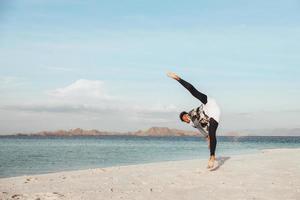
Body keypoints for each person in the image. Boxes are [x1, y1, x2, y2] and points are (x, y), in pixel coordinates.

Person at [167, 72, 221, 169]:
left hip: (209, 105)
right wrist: (207, 138)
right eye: (184, 120)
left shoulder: (191, 113)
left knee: (193, 92)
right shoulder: (193, 123)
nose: (186, 119)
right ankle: (212, 157)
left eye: (185, 117)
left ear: (187, 114)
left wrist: (178, 79)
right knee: (211, 134)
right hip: (209, 116)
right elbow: (201, 129)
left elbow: (192, 90)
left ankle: (212, 156)